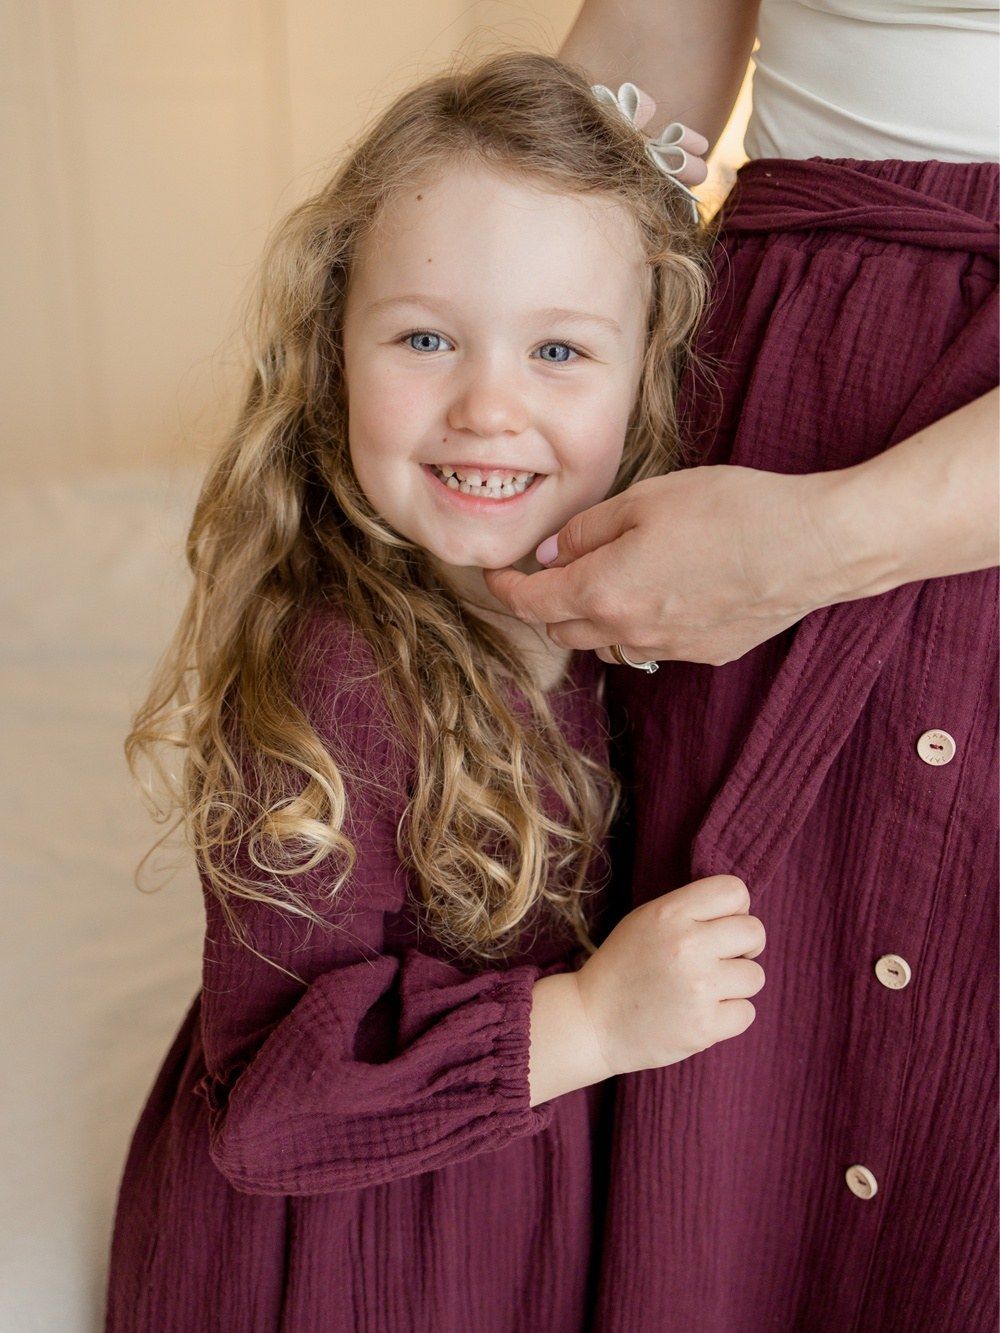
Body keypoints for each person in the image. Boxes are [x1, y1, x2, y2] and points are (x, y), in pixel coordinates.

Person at [104, 52, 768, 1332]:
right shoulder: (334, 678)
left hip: (508, 1219)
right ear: (333, 351)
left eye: (558, 348)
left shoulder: (617, 618)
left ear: (645, 374)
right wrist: (589, 1023)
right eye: (425, 338)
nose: (487, 407)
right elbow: (273, 1106)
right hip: (345, 1266)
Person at [482, 5, 1000, 1329]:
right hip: (776, 380)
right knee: (726, 1081)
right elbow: (646, 60)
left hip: (779, 499)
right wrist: (492, 351)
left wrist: (822, 543)